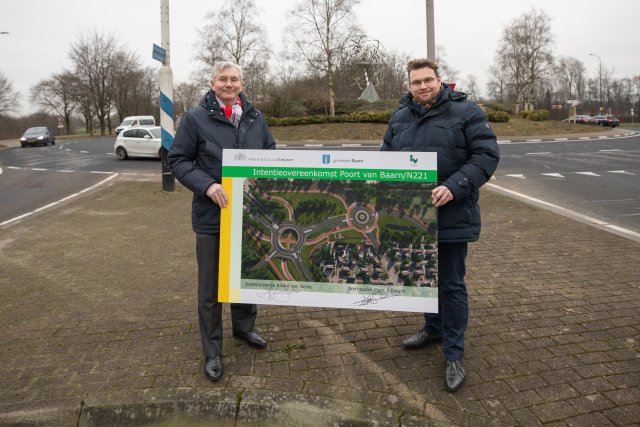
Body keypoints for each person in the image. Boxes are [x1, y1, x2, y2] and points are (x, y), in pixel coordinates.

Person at [380, 58, 499, 392]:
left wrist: (454, 186)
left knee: (450, 284)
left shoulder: (466, 112)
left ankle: (454, 353)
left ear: (440, 80)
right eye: (416, 82)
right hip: (410, 218)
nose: (422, 87)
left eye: (428, 80)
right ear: (409, 85)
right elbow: (385, 157)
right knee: (422, 280)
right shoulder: (400, 116)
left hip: (451, 214)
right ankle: (432, 329)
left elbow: (486, 156)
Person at [168, 61, 276, 382]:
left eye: (235, 79)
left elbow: (270, 152)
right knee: (211, 288)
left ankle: (244, 329)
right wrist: (208, 185)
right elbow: (178, 160)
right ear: (212, 83)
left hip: (249, 214)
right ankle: (212, 350)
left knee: (246, 276)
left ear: (242, 83)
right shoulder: (195, 118)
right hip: (212, 217)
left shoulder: (256, 118)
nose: (229, 84)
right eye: (223, 79)